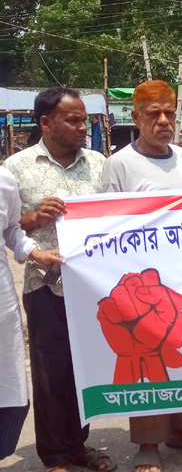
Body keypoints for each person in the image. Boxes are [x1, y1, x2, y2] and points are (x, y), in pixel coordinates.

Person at [101, 80, 182, 472]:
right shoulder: (120, 163)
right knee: (148, 362)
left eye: (170, 112)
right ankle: (148, 442)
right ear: (136, 118)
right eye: (154, 114)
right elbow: (105, 225)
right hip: (141, 286)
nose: (164, 121)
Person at [2, 87, 115, 472]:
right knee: (50, 373)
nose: (83, 127)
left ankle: (78, 445)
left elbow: (118, 213)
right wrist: (34, 218)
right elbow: (7, 227)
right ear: (46, 123)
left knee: (84, 370)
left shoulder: (99, 164)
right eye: (74, 120)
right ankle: (54, 456)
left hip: (92, 287)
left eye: (84, 120)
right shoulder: (16, 168)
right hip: (45, 285)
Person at [0, 167, 65, 461]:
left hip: (1, 298)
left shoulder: (3, 180)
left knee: (6, 386)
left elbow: (10, 228)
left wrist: (34, 252)